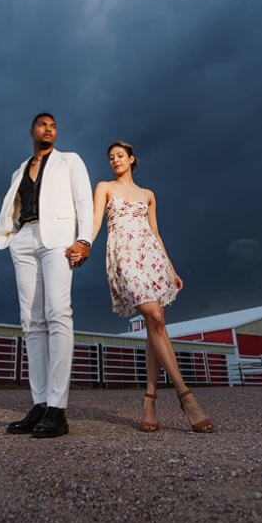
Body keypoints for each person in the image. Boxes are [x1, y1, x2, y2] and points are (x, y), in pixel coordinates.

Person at [80, 141, 213, 433]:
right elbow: (94, 223)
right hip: (124, 256)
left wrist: (171, 268)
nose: (114, 160)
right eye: (111, 157)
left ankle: (149, 401)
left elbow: (155, 232)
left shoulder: (148, 194)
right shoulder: (104, 187)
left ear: (131, 159)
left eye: (119, 156)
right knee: (153, 317)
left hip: (152, 257)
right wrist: (84, 243)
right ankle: (186, 397)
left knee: (157, 323)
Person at [0, 113, 93, 438]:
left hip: (59, 241)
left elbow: (83, 200)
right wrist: (12, 238)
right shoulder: (18, 170)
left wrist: (84, 239)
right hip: (24, 239)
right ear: (32, 131)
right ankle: (39, 404)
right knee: (31, 322)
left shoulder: (70, 161)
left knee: (58, 314)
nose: (48, 128)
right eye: (42, 124)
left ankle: (57, 408)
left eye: (53, 125)